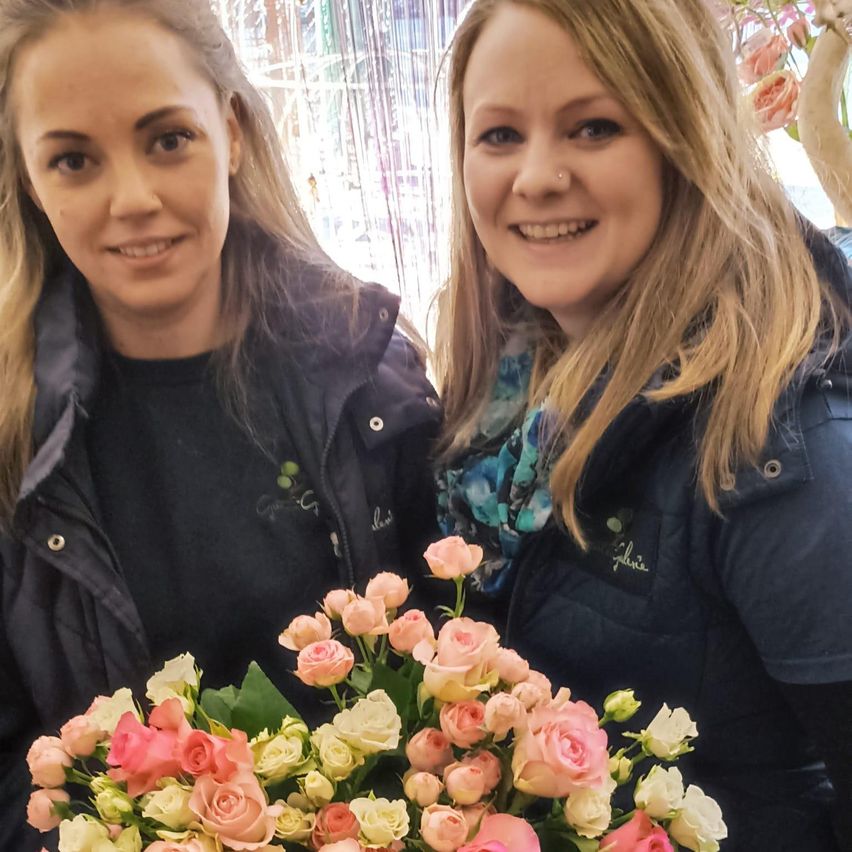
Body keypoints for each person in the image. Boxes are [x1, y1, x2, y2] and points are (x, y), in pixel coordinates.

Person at [0, 0, 440, 846]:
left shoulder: (372, 383)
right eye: (73, 160)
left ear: (231, 132)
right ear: (27, 179)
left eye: (168, 139)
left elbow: (462, 688)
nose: (133, 198)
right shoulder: (12, 441)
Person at [434, 1, 852, 849]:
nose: (539, 176)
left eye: (593, 128)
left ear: (683, 141)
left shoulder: (785, 452)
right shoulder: (501, 387)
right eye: (501, 135)